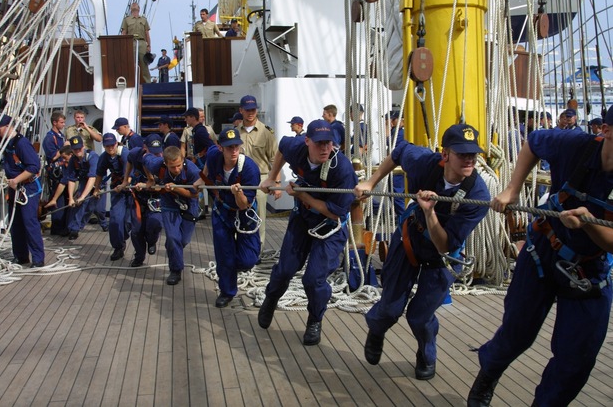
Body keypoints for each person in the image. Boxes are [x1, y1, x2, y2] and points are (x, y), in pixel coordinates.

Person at [467, 107, 613, 407]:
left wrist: (588, 225)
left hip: (591, 269)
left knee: (577, 360)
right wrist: (512, 189)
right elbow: (533, 142)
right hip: (543, 253)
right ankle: (489, 370)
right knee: (516, 334)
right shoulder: (575, 146)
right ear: (606, 131)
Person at [354, 124, 490, 380]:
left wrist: (429, 212)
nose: (470, 159)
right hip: (410, 240)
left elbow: (445, 245)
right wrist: (370, 181)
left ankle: (426, 354)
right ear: (445, 154)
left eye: (473, 154)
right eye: (462, 154)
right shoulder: (424, 163)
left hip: (442, 255)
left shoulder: (478, 195)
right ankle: (376, 329)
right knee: (391, 307)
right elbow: (399, 151)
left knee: (420, 315)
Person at [257, 119, 357, 345]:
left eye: (328, 143)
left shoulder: (341, 169)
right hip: (303, 219)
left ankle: (314, 319)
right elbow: (282, 146)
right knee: (285, 270)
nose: (325, 148)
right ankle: (271, 298)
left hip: (330, 227)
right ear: (307, 141)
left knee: (314, 279)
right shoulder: (297, 149)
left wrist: (303, 196)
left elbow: (335, 213)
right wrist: (273, 176)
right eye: (319, 143)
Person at [193, 128, 261, 308]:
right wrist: (202, 179)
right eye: (229, 147)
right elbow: (209, 162)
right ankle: (227, 291)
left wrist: (238, 193)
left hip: (244, 213)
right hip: (222, 212)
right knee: (224, 255)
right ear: (220, 147)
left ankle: (232, 266)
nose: (233, 151)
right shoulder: (214, 155)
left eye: (236, 146)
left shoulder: (249, 168)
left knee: (248, 260)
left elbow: (244, 204)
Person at [0, 115, 45, 267]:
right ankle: (21, 256)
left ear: (7, 127)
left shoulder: (21, 144)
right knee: (15, 223)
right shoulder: (5, 140)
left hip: (26, 188)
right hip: (14, 189)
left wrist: (16, 180)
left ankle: (38, 259)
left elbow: (34, 167)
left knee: (29, 223)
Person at [144, 146, 201, 285]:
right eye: (172, 167)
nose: (176, 169)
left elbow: (195, 194)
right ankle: (175, 270)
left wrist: (176, 188)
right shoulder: (156, 164)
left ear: (182, 160)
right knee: (173, 237)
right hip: (169, 204)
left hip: (189, 204)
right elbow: (144, 159)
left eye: (178, 165)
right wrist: (151, 179)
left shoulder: (192, 171)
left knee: (183, 240)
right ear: (165, 163)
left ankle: (172, 244)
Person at [238, 95, 280, 252]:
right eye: (247, 110)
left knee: (259, 216)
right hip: (240, 179)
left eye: (253, 110)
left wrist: (276, 183)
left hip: (261, 179)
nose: (250, 113)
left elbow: (275, 160)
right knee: (239, 214)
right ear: (241, 110)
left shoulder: (267, 132)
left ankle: (258, 250)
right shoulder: (235, 132)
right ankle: (242, 247)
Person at [119, 134, 164, 267]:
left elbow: (162, 185)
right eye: (152, 152)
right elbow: (129, 161)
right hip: (139, 198)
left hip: (156, 197)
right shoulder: (135, 153)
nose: (156, 155)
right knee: (136, 230)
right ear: (145, 147)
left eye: (158, 152)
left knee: (154, 224)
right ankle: (139, 256)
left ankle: (151, 241)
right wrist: (125, 180)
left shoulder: (164, 160)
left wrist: (148, 185)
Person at [93, 133, 131, 261]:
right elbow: (99, 174)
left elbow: (129, 173)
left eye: (112, 145)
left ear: (116, 143)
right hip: (117, 189)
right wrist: (96, 189)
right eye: (107, 146)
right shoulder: (104, 157)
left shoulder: (125, 154)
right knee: (115, 219)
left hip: (132, 188)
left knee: (129, 221)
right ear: (104, 146)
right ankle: (118, 247)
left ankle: (124, 236)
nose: (110, 148)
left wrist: (124, 184)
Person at [65, 136, 102, 240]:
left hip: (97, 182)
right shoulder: (73, 160)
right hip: (84, 180)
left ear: (84, 146)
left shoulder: (92, 156)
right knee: (79, 205)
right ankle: (74, 229)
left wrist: (83, 196)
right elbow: (71, 179)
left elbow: (92, 177)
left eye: (79, 148)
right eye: (75, 149)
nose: (77, 151)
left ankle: (102, 224)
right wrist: (71, 197)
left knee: (95, 208)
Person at [42, 111, 69, 236]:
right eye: (61, 122)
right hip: (56, 172)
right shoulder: (49, 138)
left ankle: (64, 225)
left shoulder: (61, 136)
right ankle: (57, 228)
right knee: (58, 199)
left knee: (66, 198)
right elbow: (52, 157)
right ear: (54, 122)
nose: (63, 125)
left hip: (65, 170)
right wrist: (64, 147)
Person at [120, 2, 152, 83]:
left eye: (136, 7)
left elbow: (147, 34)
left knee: (144, 64)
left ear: (139, 9)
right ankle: (131, 82)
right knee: (131, 63)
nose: (134, 8)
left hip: (142, 42)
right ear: (130, 9)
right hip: (131, 42)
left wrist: (149, 46)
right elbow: (124, 33)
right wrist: (124, 45)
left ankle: (147, 82)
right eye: (132, 7)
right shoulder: (126, 20)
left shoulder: (144, 20)